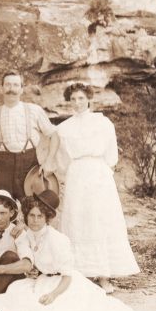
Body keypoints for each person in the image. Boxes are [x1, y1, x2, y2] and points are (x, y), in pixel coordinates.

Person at [0, 190, 142, 311]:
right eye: (31, 215)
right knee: (15, 292)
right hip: (42, 280)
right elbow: (28, 259)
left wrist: (53, 295)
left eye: (40, 216)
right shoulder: (26, 236)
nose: (35, 220)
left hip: (63, 284)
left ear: (47, 219)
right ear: (26, 216)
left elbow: (67, 276)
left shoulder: (57, 240)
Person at [41, 83, 140, 293]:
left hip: (98, 173)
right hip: (77, 174)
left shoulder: (103, 123)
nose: (77, 103)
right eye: (73, 99)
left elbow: (111, 154)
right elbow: (61, 158)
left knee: (100, 220)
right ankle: (81, 274)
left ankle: (104, 276)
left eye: (80, 98)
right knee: (79, 220)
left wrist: (101, 170)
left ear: (88, 99)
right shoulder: (64, 128)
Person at [0, 70, 56, 201]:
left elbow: (53, 135)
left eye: (16, 85)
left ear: (21, 89)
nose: (11, 89)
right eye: (8, 85)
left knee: (32, 208)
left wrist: (49, 161)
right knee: (2, 208)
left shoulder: (34, 110)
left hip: (30, 169)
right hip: (3, 170)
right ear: (1, 88)